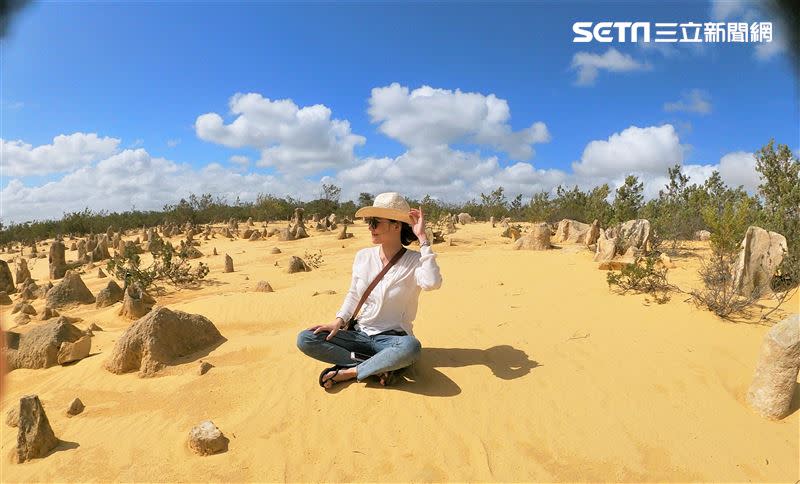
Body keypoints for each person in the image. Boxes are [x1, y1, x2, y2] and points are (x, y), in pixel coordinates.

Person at [296, 192, 443, 389]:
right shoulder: (363, 256)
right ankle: (381, 366)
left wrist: (423, 239)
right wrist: (338, 321)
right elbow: (354, 294)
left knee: (412, 347)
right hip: (359, 335)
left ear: (396, 225)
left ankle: (352, 371)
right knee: (306, 339)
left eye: (375, 222)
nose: (369, 227)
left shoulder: (415, 261)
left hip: (392, 339)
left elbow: (433, 282)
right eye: (369, 221)